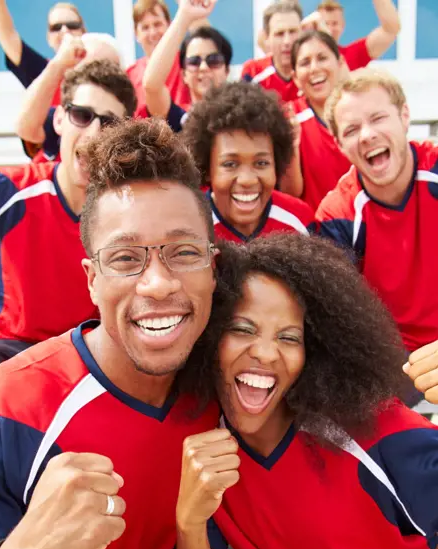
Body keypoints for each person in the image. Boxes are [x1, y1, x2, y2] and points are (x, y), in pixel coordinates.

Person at [0, 118, 228, 549]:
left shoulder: (223, 394)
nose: (158, 283)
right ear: (91, 279)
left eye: (184, 252)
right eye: (126, 259)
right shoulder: (9, 407)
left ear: (214, 269)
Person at [175, 233, 438, 549]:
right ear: (208, 336)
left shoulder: (374, 434)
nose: (264, 352)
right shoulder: (202, 449)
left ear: (312, 355)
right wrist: (189, 519)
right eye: (242, 329)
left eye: (289, 337)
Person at [0, 60, 136, 371]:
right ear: (59, 121)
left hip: (88, 358)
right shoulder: (11, 188)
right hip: (7, 352)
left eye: (108, 124)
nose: (94, 134)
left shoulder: (130, 209)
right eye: (82, 115)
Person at [317, 68, 438, 357]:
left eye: (378, 118)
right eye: (351, 129)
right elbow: (341, 318)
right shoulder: (337, 216)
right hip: (391, 358)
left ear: (404, 116)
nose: (368, 135)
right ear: (339, 145)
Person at [182, 81, 315, 242]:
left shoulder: (299, 220)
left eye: (261, 163)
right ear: (208, 170)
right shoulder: (187, 227)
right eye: (230, 164)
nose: (247, 180)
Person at [14, 33, 123, 163]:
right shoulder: (67, 116)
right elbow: (26, 129)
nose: (96, 77)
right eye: (87, 68)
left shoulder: (129, 121)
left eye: (107, 69)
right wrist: (58, 64)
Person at [280, 30, 351, 210]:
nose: (314, 68)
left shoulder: (360, 111)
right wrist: (292, 148)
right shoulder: (289, 118)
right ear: (295, 77)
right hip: (314, 232)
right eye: (305, 62)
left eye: (322, 58)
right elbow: (290, 194)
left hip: (359, 227)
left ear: (340, 63)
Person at [143, 0, 231, 133]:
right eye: (194, 61)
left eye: (213, 60)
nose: (203, 67)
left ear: (227, 70)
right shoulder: (180, 119)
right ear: (184, 74)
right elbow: (151, 85)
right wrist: (184, 15)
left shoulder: (242, 119)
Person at [0, 0, 85, 105]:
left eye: (72, 25)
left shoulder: (102, 69)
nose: (64, 30)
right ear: (49, 38)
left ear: (83, 32)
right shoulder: (42, 73)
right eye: (56, 27)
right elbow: (8, 35)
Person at [127, 0, 191, 119]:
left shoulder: (187, 62)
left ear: (169, 25)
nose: (153, 33)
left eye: (157, 24)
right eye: (145, 27)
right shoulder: (129, 75)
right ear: (136, 34)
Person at [241, 1, 302, 104]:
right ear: (267, 38)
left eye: (292, 32)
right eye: (279, 34)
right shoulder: (253, 72)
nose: (287, 41)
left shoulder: (313, 72)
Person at [318, 0, 401, 71]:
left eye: (334, 23)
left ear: (342, 25)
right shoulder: (306, 57)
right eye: (325, 24)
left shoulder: (353, 55)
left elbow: (390, 30)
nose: (329, 29)